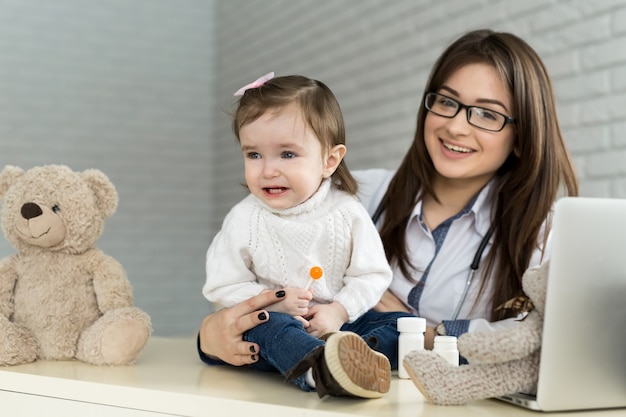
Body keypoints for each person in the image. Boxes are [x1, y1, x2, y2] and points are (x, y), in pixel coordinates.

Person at [198, 28, 578, 381]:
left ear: (522, 134)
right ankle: (326, 370)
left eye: (487, 114)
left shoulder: (546, 234)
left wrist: (425, 333)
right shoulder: (347, 194)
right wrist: (211, 337)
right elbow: (242, 288)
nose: (457, 127)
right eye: (447, 102)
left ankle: (352, 365)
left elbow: (544, 343)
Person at [202, 73, 414, 398]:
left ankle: (359, 359)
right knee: (269, 328)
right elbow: (223, 283)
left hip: (335, 324)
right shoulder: (245, 217)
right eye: (254, 154)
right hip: (278, 328)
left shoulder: (346, 212)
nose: (268, 170)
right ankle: (323, 372)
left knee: (400, 323)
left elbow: (371, 274)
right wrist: (276, 301)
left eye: (287, 154)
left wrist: (339, 310)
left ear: (329, 160)